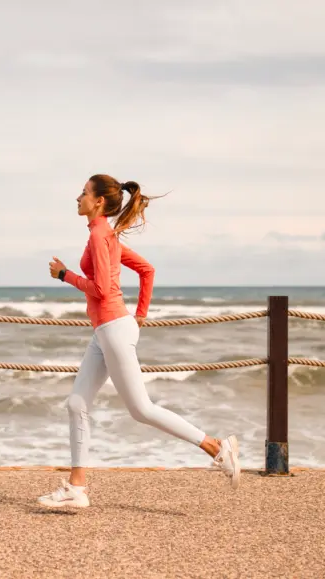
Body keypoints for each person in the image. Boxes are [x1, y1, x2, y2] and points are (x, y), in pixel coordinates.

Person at [38, 174, 240, 509]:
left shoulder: (102, 234)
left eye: (84, 192)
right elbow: (147, 270)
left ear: (98, 200)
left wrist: (65, 275)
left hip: (114, 329)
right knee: (76, 404)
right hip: (107, 331)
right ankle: (77, 488)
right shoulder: (104, 234)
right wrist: (140, 315)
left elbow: (102, 290)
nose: (78, 197)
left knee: (141, 409)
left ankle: (217, 448)